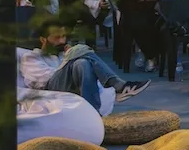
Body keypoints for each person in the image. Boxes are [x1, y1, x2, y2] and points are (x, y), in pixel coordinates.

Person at [21, 20, 150, 111]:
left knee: (82, 62)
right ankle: (119, 85)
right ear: (43, 39)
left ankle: (92, 112)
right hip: (50, 91)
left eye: (63, 36)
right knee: (79, 50)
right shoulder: (31, 57)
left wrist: (70, 58)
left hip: (70, 87)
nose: (62, 41)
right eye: (56, 38)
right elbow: (45, 80)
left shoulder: (61, 55)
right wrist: (69, 59)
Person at [116, 0, 167, 72]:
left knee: (158, 23)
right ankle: (150, 56)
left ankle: (146, 53)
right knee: (138, 22)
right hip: (131, 14)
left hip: (152, 12)